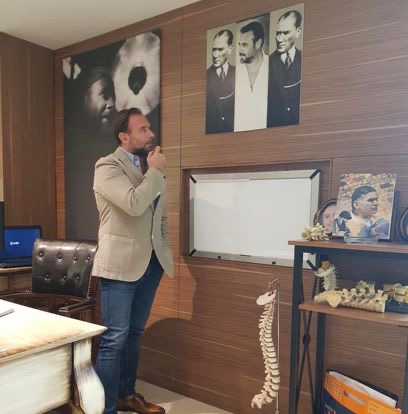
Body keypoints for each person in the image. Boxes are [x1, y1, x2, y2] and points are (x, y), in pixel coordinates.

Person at [93, 108, 174, 414]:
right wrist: (155, 172)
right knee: (114, 339)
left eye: (149, 127)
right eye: (142, 129)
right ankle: (105, 407)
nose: (151, 134)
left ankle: (126, 394)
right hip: (119, 266)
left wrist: (162, 249)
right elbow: (133, 203)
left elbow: (160, 216)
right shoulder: (107, 167)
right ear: (124, 137)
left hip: (150, 264)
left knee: (135, 333)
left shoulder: (150, 168)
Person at [267, 10, 302, 127]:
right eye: (278, 33)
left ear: (298, 32)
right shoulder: (267, 63)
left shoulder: (305, 59)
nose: (279, 39)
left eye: (285, 33)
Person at [234, 20, 269, 132]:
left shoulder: (273, 66)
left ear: (258, 44)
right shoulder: (235, 73)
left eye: (244, 45)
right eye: (239, 45)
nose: (239, 50)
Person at [206, 29, 235, 133]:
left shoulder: (238, 74)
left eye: (220, 49)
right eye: (214, 50)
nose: (215, 55)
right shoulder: (206, 76)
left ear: (230, 49)